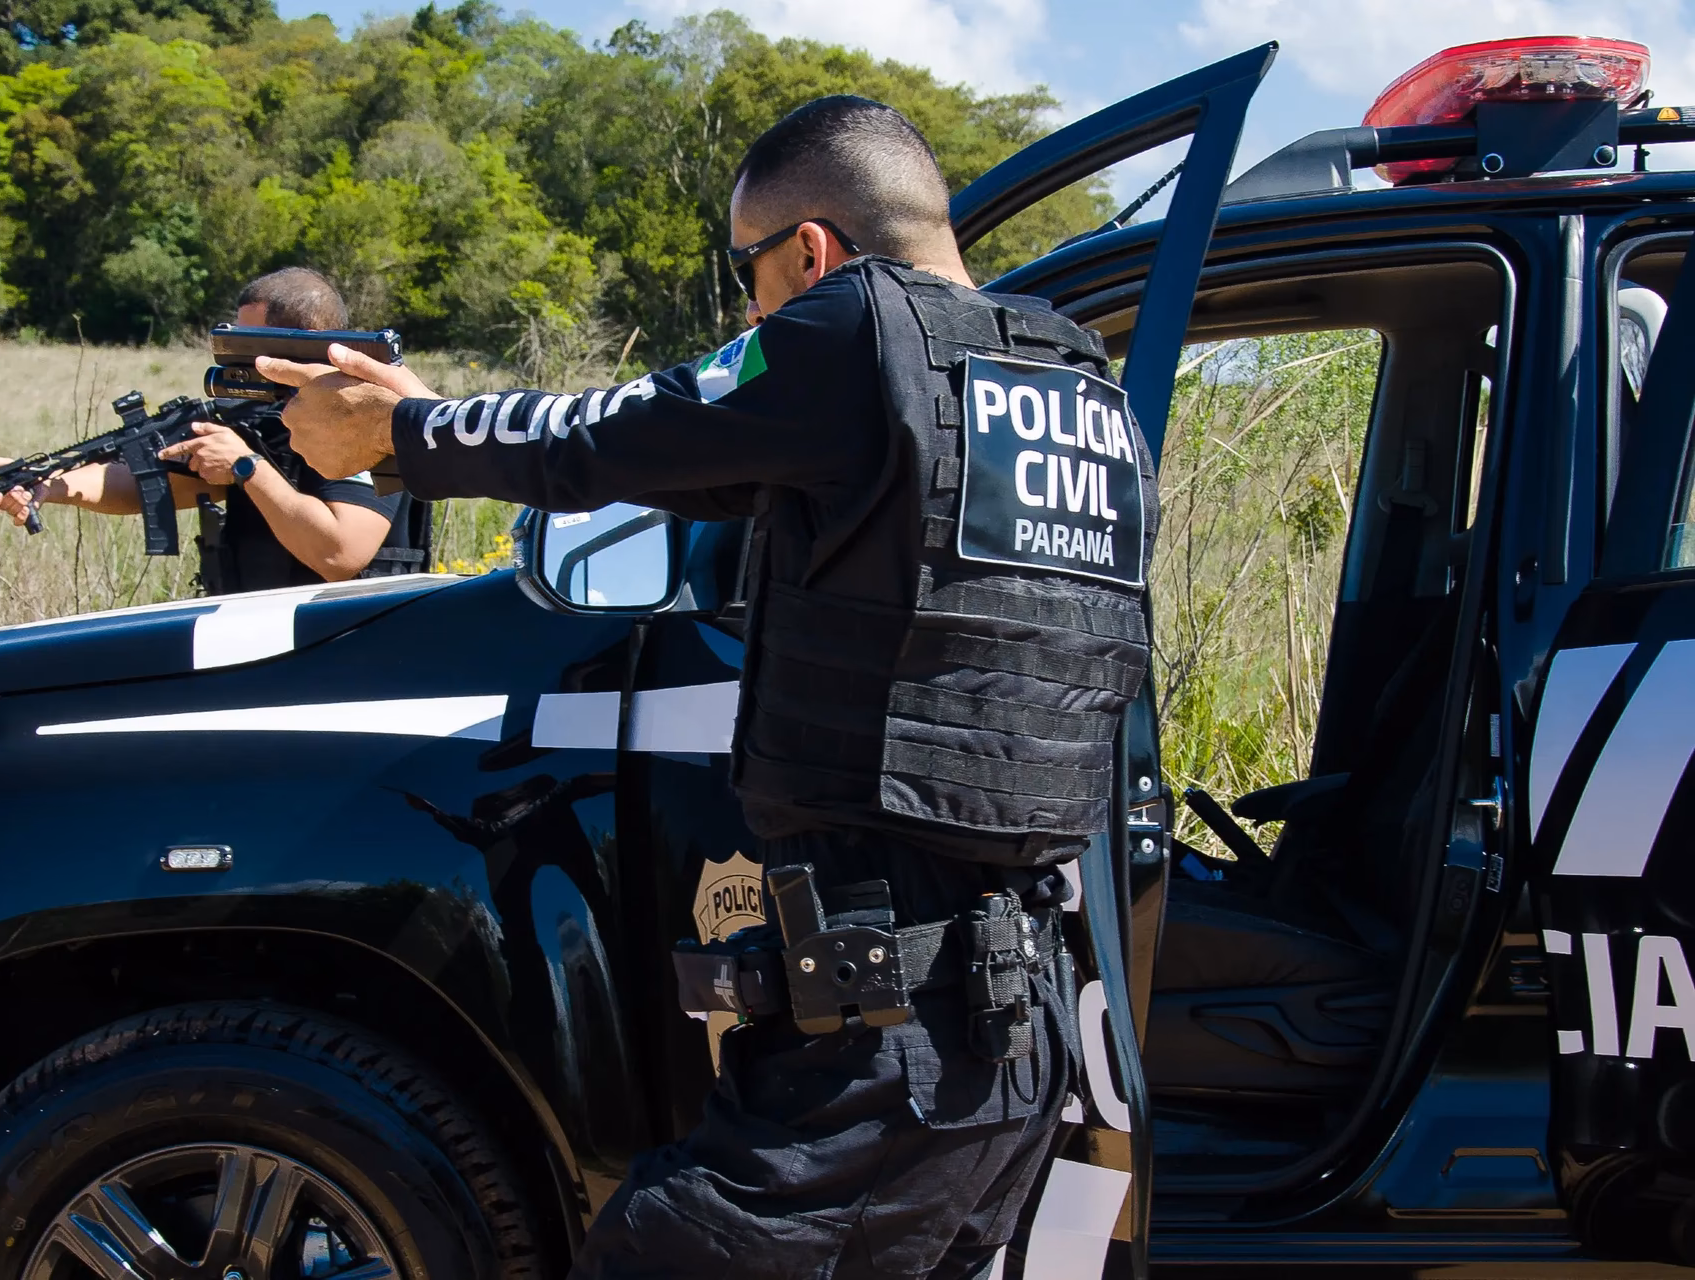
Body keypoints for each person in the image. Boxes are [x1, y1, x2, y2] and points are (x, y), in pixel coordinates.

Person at [266, 96, 1157, 1278]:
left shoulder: (852, 331)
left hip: (887, 1038)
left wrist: (404, 435)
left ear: (811, 249)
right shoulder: (1071, 386)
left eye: (752, 272)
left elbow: (619, 431)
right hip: (1012, 1030)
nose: (751, 308)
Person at [0, 267, 425, 593]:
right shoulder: (259, 414)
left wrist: (246, 468)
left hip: (353, 644)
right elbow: (151, 480)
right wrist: (49, 484)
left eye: (251, 347)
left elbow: (341, 554)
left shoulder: (366, 414)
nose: (239, 364)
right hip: (262, 639)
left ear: (306, 341)